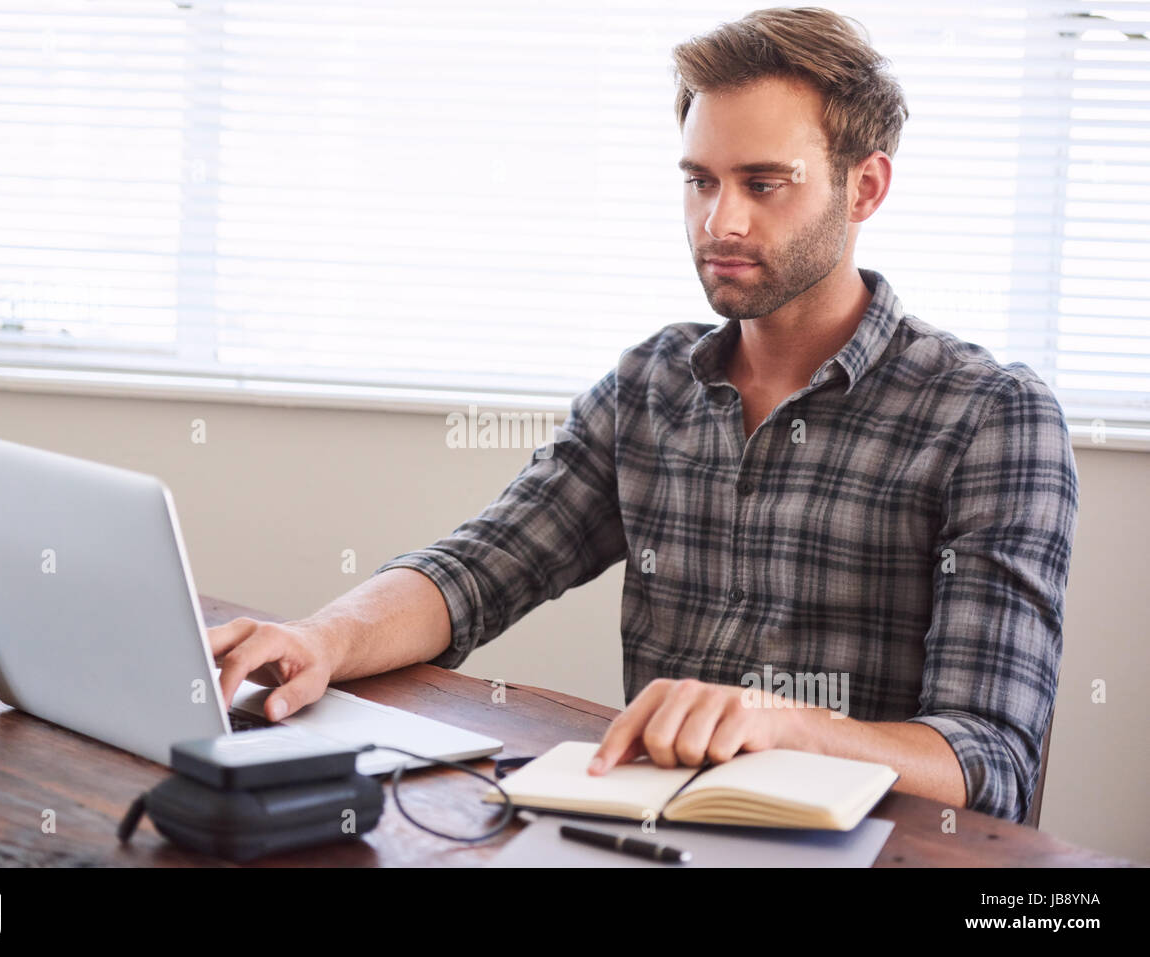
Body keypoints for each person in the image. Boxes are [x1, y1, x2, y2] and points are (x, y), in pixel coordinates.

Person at [210, 7, 1078, 824]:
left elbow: (989, 764)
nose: (719, 221)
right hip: (647, 832)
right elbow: (478, 570)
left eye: (763, 184)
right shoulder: (651, 384)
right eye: (700, 181)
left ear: (866, 188)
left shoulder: (992, 416)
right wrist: (320, 636)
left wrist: (777, 722)